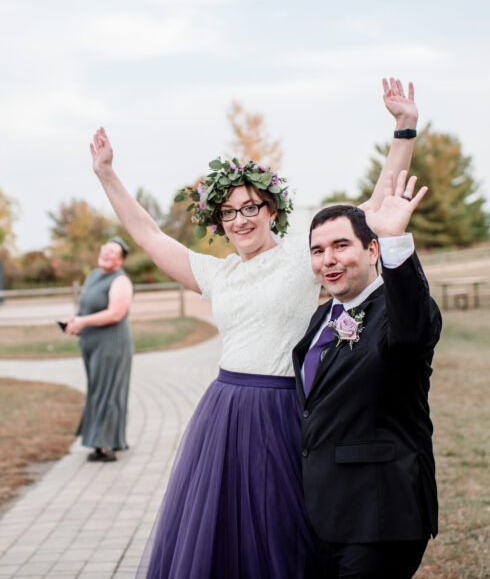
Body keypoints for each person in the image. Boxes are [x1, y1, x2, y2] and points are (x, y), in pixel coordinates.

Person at [88, 78, 419, 577]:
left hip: (285, 411)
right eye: (228, 213)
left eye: (250, 208)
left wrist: (404, 130)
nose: (239, 220)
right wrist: (107, 174)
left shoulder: (298, 259)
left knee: (280, 532)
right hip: (223, 413)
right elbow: (147, 233)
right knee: (221, 538)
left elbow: (374, 209)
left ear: (270, 210)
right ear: (218, 223)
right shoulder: (214, 273)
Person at [292, 171, 441, 578]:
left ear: (372, 250)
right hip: (325, 512)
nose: (329, 259)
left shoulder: (398, 314)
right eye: (318, 250)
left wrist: (396, 240)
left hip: (381, 513)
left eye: (341, 245)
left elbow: (412, 325)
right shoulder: (323, 317)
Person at [64, 237, 135, 463]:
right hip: (91, 343)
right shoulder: (93, 275)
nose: (107, 252)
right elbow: (86, 306)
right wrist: (76, 321)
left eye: (113, 251)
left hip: (111, 344)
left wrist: (84, 322)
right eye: (105, 248)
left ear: (121, 260)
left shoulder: (121, 281)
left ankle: (107, 445)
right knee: (97, 390)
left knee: (109, 390)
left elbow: (116, 313)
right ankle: (98, 440)